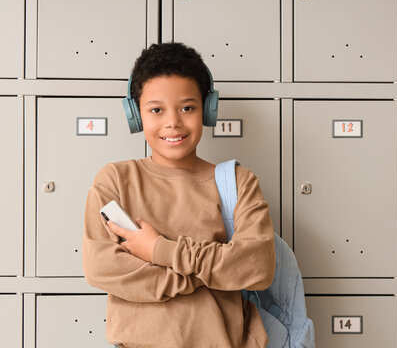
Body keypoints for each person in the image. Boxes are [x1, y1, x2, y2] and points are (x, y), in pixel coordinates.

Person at [82, 42, 276, 348]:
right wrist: (201, 277)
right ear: (135, 114)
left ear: (207, 109)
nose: (172, 122)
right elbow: (102, 267)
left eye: (187, 107)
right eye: (156, 110)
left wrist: (160, 250)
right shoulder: (115, 180)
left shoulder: (237, 181)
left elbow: (258, 267)